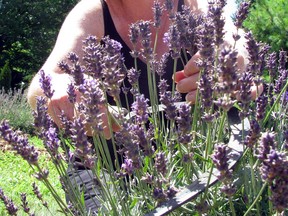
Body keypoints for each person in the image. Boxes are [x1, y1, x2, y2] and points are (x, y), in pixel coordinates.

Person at [27, 0, 262, 213]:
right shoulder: (93, 13)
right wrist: (61, 90)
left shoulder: (194, 6)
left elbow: (235, 39)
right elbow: (45, 81)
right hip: (104, 169)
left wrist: (236, 59)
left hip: (193, 161)